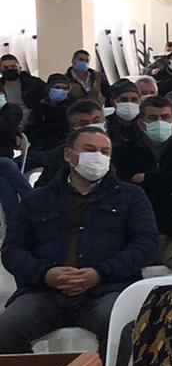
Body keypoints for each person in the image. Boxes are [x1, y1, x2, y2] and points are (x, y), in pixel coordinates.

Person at [0, 125, 158, 354]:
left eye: (105, 152)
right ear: (69, 155)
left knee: (119, 325)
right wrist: (45, 274)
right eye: (90, 150)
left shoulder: (131, 196)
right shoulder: (37, 199)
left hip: (105, 290)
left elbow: (145, 244)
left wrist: (101, 273)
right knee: (6, 329)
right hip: (44, 292)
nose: (98, 157)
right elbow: (12, 249)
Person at [112, 97, 172, 279]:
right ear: (141, 124)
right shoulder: (123, 152)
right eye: (153, 118)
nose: (160, 122)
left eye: (165, 117)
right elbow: (124, 188)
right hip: (133, 233)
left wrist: (146, 178)